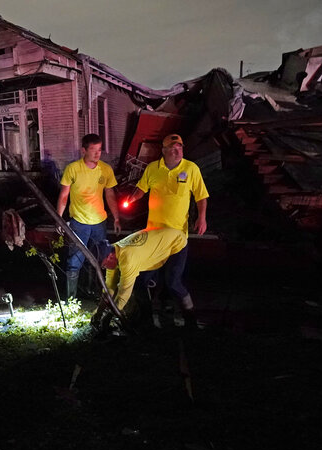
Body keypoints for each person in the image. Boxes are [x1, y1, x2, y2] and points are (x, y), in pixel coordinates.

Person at [121, 133, 209, 320]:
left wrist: (202, 218)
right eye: (173, 148)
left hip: (177, 237)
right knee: (143, 279)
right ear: (164, 151)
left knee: (173, 281)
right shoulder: (153, 168)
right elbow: (142, 189)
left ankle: (187, 316)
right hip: (153, 235)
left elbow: (201, 196)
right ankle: (144, 317)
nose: (177, 151)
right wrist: (132, 198)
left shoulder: (191, 168)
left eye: (180, 148)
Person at [55, 133, 120, 300]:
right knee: (75, 259)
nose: (98, 154)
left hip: (99, 222)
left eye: (99, 150)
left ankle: (99, 294)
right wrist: (59, 218)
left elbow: (110, 194)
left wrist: (117, 217)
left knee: (101, 258)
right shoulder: (73, 169)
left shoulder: (105, 169)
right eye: (93, 150)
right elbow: (64, 195)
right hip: (79, 222)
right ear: (83, 150)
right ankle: (71, 300)